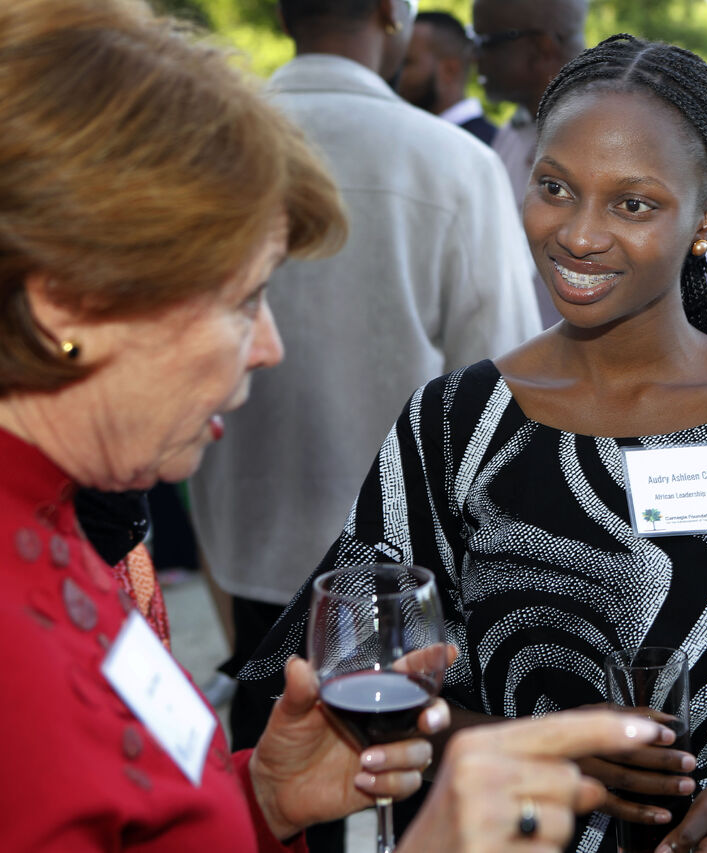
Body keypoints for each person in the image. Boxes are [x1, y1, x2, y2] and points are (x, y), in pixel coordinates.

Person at [243, 33, 707, 853]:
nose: (579, 235)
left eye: (633, 204)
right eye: (555, 187)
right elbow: (339, 664)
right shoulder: (455, 421)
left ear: (706, 220)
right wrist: (514, 742)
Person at [0, 2, 675, 850]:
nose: (270, 346)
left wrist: (259, 795)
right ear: (66, 307)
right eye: (243, 299)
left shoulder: (63, 528)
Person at [186, 0, 540, 789]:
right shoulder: (453, 162)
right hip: (412, 573)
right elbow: (503, 387)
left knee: (264, 785)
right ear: (391, 13)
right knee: (410, 790)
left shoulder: (199, 145)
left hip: (248, 546)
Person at [472, 0, 589, 328]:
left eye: (485, 41)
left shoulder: (621, 134)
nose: (473, 56)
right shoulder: (512, 133)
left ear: (541, 48)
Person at [398, 11, 498, 146]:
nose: (395, 74)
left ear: (449, 70)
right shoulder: (408, 134)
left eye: (406, 63)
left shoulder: (490, 146)